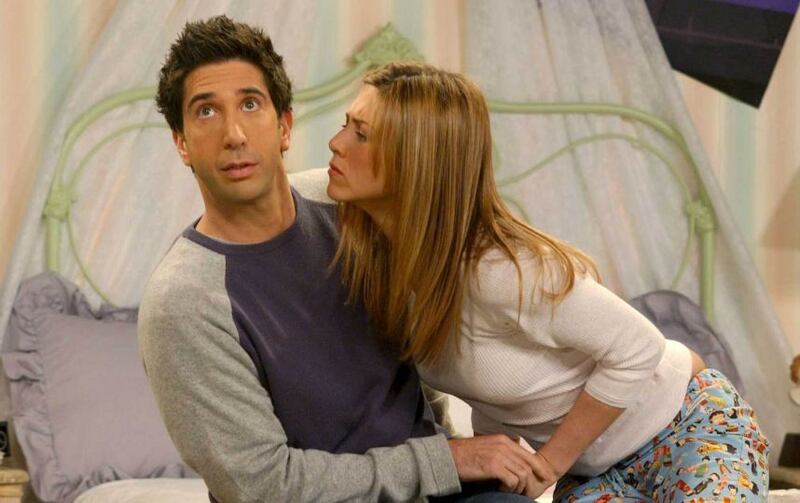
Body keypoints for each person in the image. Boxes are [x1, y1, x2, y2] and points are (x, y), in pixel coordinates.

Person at [327, 61, 771, 501]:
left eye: (360, 134)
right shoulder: (383, 268)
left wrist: (550, 464)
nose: (335, 143)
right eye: (346, 124)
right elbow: (495, 386)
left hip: (686, 425)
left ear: (417, 160)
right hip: (596, 472)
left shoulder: (495, 268)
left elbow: (638, 348)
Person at [138, 16, 538, 503]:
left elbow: (409, 350)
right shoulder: (182, 303)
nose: (234, 134)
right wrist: (444, 461)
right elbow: (262, 485)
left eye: (250, 103)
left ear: (285, 126)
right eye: (206, 112)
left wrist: (454, 452)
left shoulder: (347, 203)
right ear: (181, 143)